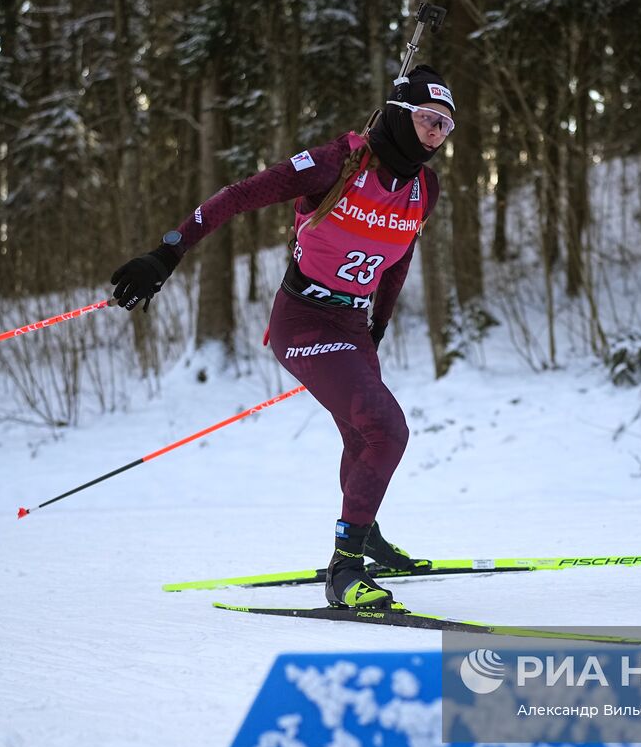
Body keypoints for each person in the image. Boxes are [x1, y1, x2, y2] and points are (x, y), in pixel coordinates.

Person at [108, 65, 456, 611]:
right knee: (387, 430)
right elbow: (239, 195)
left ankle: (367, 538)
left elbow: (400, 255)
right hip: (304, 321)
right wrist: (168, 250)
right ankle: (346, 572)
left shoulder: (422, 188)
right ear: (398, 114)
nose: (435, 134)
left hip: (353, 325)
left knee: (363, 436)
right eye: (427, 119)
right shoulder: (335, 163)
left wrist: (379, 327)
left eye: (444, 126)